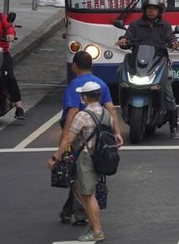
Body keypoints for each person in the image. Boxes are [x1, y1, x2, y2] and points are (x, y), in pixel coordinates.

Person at [58, 51, 123, 225]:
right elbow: (112, 109)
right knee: (83, 175)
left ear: (74, 67)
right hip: (99, 138)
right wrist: (117, 133)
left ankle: (82, 215)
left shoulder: (74, 85)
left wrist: (63, 140)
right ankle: (68, 210)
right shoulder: (101, 84)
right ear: (92, 65)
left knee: (78, 172)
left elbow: (71, 112)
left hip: (80, 136)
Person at [48, 81, 111, 242]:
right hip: (100, 158)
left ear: (85, 97)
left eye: (82, 95)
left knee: (88, 196)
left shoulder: (83, 116)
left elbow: (69, 138)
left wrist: (55, 157)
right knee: (91, 195)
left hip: (86, 159)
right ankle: (94, 227)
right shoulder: (106, 114)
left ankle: (96, 230)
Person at [117, 0, 179, 139]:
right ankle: (124, 105)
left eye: (154, 9)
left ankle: (174, 127)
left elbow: (171, 38)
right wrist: (123, 40)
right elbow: (127, 36)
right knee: (120, 73)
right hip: (139, 63)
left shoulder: (165, 26)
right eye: (149, 8)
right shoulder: (135, 25)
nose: (151, 11)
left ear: (160, 11)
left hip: (159, 62)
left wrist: (174, 43)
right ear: (144, 10)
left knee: (168, 94)